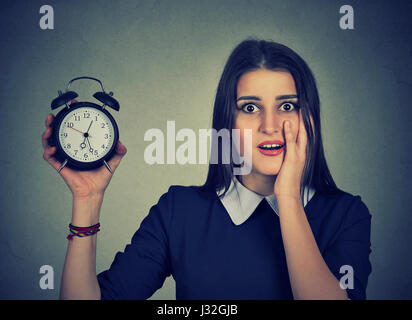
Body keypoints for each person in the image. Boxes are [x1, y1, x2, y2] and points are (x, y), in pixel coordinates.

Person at [42, 39, 372, 300]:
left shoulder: (345, 214)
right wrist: (87, 199)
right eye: (250, 107)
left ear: (309, 117)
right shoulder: (179, 212)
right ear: (227, 121)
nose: (270, 125)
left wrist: (287, 196)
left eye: (287, 106)